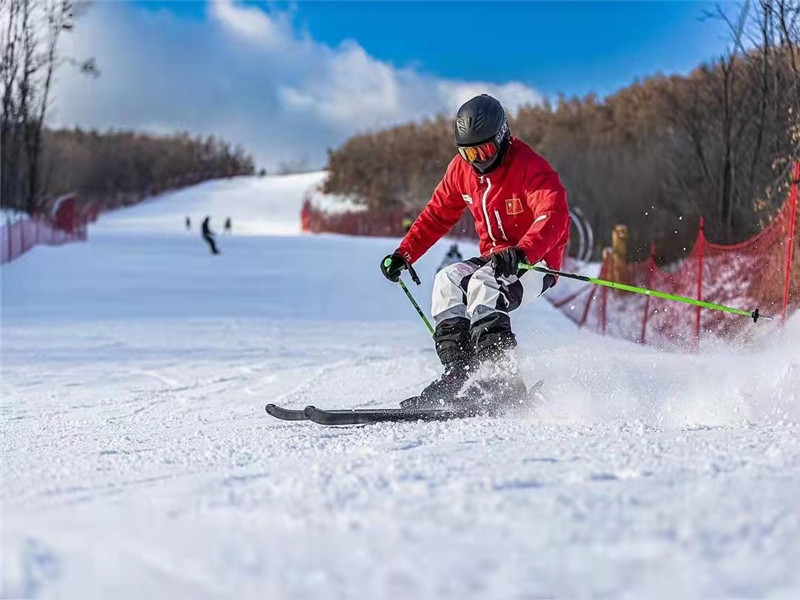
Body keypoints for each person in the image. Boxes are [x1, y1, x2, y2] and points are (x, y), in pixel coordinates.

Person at [380, 94, 570, 410]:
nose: (477, 160)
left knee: (486, 283)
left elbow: (554, 215)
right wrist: (405, 254)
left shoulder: (531, 168)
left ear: (503, 137)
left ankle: (500, 378)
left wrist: (523, 253)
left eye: (484, 150)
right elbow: (437, 215)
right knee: (447, 280)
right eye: (468, 152)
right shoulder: (462, 171)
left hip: (536, 261)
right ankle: (459, 373)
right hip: (492, 258)